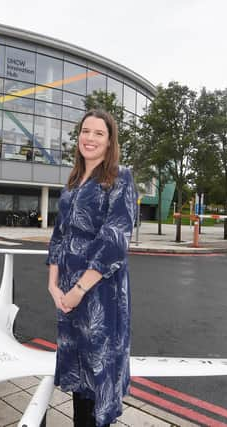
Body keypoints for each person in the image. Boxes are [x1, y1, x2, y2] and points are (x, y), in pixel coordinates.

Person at [47, 110, 137, 426]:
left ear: (110, 141)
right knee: (79, 374)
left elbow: (115, 240)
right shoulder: (73, 181)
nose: (90, 138)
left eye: (99, 133)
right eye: (86, 131)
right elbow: (59, 234)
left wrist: (79, 290)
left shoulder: (120, 177)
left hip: (99, 290)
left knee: (98, 375)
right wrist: (53, 284)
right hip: (68, 292)